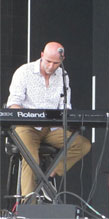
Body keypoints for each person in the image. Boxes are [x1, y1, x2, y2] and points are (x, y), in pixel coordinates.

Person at [7, 42, 91, 202]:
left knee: (82, 145)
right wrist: (25, 116)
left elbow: (65, 106)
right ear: (41, 55)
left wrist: (66, 116)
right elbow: (14, 103)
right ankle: (28, 208)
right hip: (27, 127)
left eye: (56, 63)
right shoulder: (24, 72)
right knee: (30, 158)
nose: (51, 66)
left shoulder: (63, 76)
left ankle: (47, 177)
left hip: (52, 128)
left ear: (62, 60)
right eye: (48, 61)